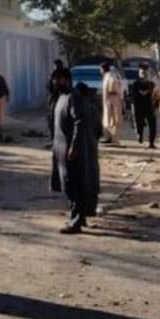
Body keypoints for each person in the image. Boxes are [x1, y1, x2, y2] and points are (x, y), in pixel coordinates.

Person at [51, 70, 100, 234]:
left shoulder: (74, 97)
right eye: (54, 80)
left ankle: (76, 221)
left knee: (75, 185)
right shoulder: (61, 97)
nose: (55, 83)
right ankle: (79, 217)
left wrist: (74, 146)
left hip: (72, 150)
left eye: (57, 79)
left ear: (66, 80)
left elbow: (79, 121)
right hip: (61, 148)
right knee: (68, 184)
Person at [131, 69, 157, 149]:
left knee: (152, 124)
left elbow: (155, 94)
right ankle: (140, 135)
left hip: (149, 106)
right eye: (142, 73)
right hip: (139, 107)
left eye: (145, 73)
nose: (144, 74)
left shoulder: (151, 84)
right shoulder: (135, 84)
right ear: (139, 74)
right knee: (139, 123)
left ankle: (151, 142)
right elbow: (133, 96)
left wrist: (154, 99)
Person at [100, 63, 123, 144]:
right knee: (108, 120)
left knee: (114, 120)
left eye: (100, 69)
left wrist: (111, 90)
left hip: (113, 101)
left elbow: (114, 84)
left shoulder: (111, 76)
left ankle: (114, 139)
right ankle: (109, 137)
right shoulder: (106, 76)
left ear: (103, 69)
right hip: (108, 101)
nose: (100, 71)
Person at [47, 60, 65, 141]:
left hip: (60, 99)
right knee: (52, 120)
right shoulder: (53, 75)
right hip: (55, 99)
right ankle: (54, 139)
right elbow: (49, 88)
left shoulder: (64, 74)